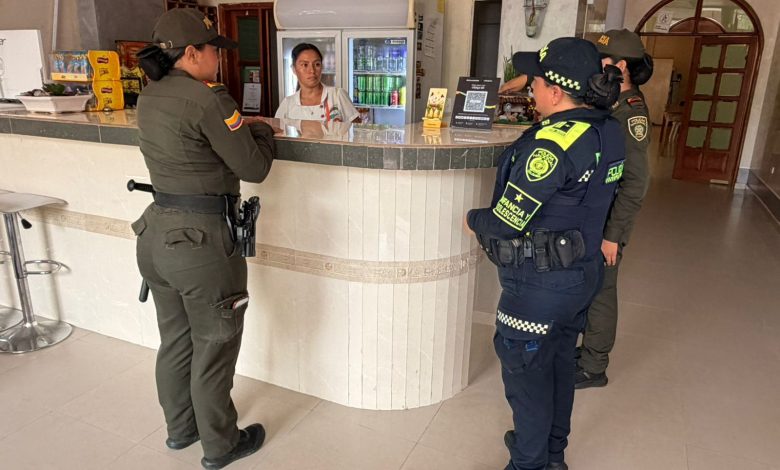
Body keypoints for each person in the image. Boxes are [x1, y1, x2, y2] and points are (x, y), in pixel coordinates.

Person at [466, 37, 624, 470]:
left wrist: (472, 219)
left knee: (527, 379)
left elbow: (506, 221)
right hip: (582, 275)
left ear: (555, 91)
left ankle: (528, 463)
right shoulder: (608, 128)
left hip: (539, 286)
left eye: (535, 82)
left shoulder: (551, 145)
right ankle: (553, 456)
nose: (530, 89)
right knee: (556, 367)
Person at [132, 8, 275, 470]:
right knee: (214, 345)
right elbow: (254, 167)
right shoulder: (208, 99)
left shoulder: (149, 96)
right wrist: (262, 132)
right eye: (214, 49)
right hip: (201, 245)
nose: (219, 57)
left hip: (154, 236)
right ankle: (221, 445)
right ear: (192, 53)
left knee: (176, 341)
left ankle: (181, 430)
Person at [575, 28, 653, 389]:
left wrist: (612, 236)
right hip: (596, 213)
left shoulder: (630, 114)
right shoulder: (611, 103)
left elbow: (636, 183)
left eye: (601, 59)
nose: (596, 64)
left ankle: (594, 366)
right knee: (590, 286)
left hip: (609, 221)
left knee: (602, 291)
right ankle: (588, 351)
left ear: (620, 66)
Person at [275, 43, 359, 123]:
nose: (312, 70)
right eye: (305, 65)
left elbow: (356, 129)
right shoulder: (287, 104)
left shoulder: (337, 95)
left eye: (317, 64)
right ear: (294, 69)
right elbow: (277, 131)